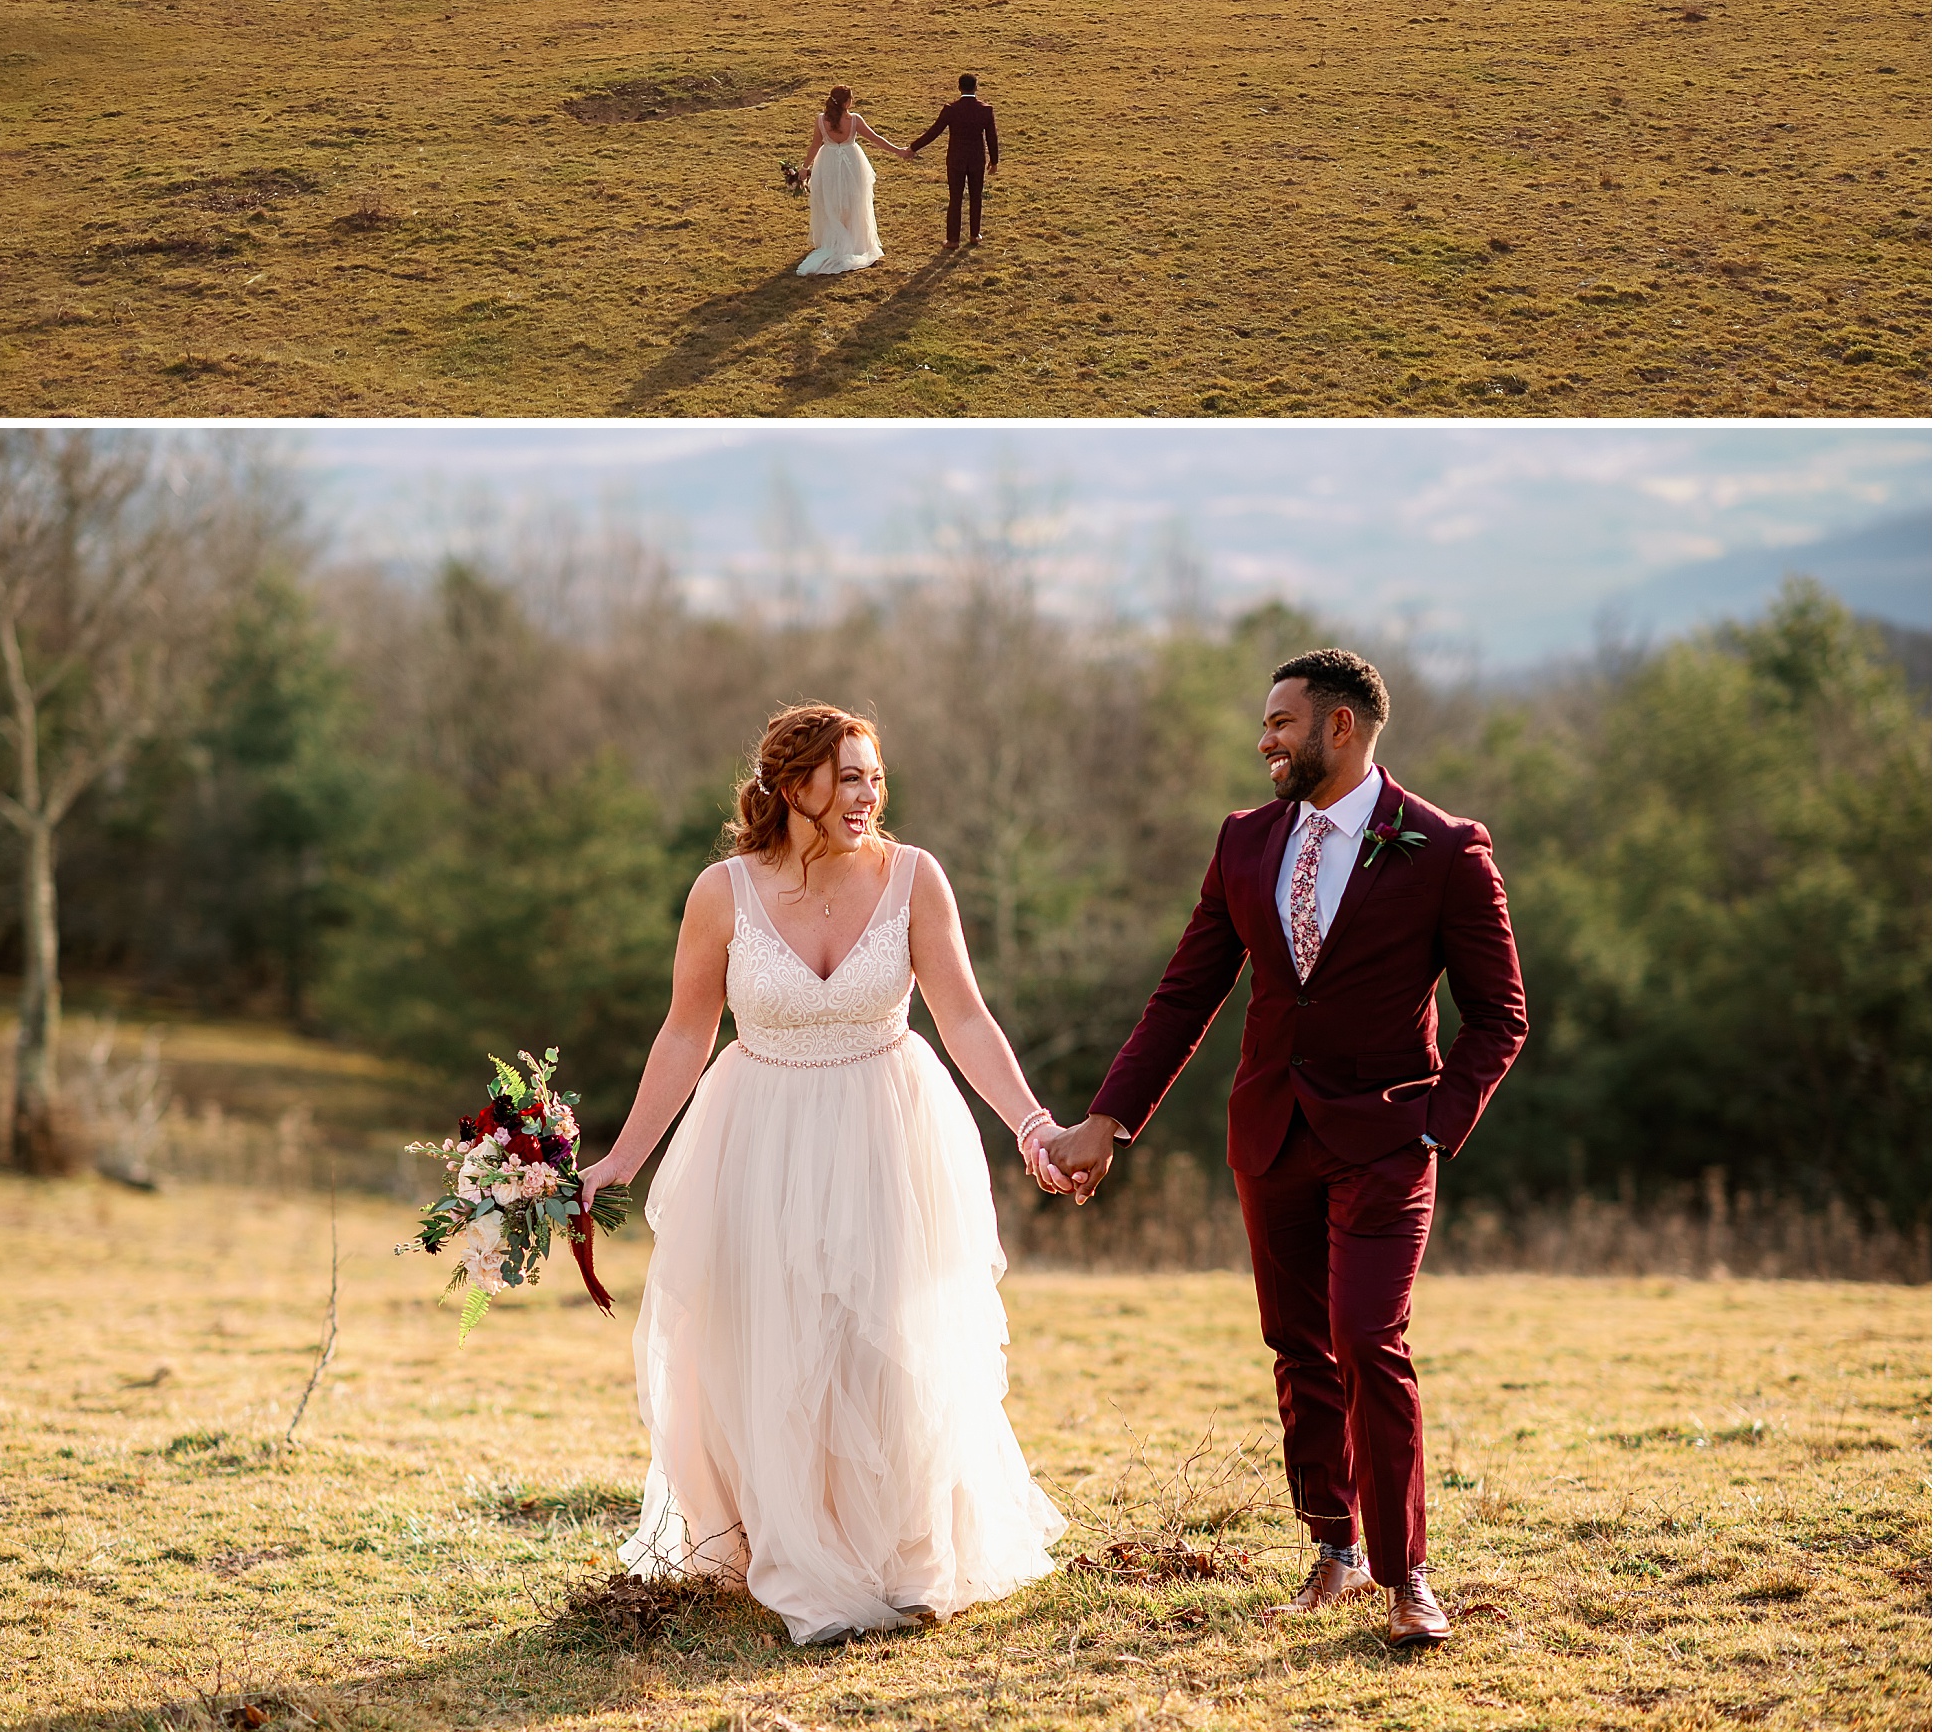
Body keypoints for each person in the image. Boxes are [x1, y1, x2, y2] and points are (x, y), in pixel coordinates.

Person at [1034, 649, 1528, 1652]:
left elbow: (1498, 1015)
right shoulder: (1245, 841)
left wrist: (1436, 1122)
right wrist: (1105, 1120)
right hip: (1269, 1133)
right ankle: (1332, 1551)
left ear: (1338, 728)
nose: (1262, 739)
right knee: (1297, 1349)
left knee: (1365, 1339)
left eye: (1279, 723)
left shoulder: (1442, 848)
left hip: (1388, 1139)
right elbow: (1185, 993)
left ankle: (1406, 1578)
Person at [578, 703, 1068, 1646]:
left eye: (874, 776)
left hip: (888, 1130)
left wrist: (1032, 1124)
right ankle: (797, 1560)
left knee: (886, 1342)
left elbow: (963, 1017)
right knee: (774, 1345)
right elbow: (687, 1032)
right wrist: (621, 1160)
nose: (867, 794)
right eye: (848, 777)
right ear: (790, 785)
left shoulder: (915, 877)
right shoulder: (721, 894)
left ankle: (905, 1558)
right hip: (758, 1138)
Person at [796, 85, 910, 274]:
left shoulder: (821, 121)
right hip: (852, 162)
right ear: (847, 102)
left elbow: (815, 145)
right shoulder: (855, 120)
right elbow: (876, 139)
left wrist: (805, 167)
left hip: (828, 163)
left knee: (831, 200)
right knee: (854, 199)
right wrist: (899, 151)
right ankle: (854, 238)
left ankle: (834, 238)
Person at [910, 74, 1000, 248]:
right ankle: (975, 235)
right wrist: (994, 160)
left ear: (959, 87)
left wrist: (913, 148)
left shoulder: (951, 109)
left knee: (955, 198)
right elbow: (992, 137)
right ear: (976, 87)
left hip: (956, 159)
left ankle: (953, 239)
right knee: (976, 196)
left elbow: (933, 132)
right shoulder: (985, 109)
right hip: (976, 158)